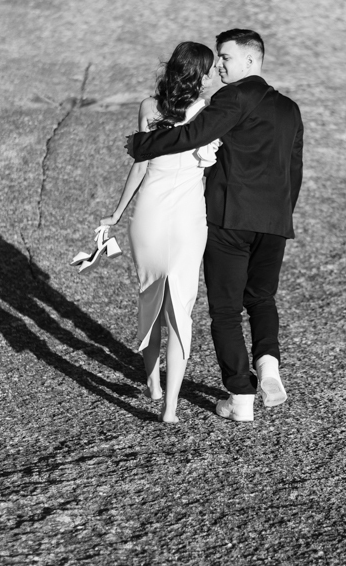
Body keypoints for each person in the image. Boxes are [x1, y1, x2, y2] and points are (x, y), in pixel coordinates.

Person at [127, 29, 303, 423]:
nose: (219, 65)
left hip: (229, 219)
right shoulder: (290, 109)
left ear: (250, 60)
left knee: (225, 311)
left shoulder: (232, 97)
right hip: (274, 222)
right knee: (262, 298)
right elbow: (295, 168)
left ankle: (241, 397)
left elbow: (194, 134)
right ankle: (268, 365)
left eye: (225, 57)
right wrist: (281, 216)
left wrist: (141, 145)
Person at [100, 41, 221, 423]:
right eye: (209, 70)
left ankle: (153, 383)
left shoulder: (149, 108)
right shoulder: (209, 112)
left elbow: (140, 163)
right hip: (187, 219)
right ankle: (170, 408)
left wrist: (117, 212)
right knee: (179, 309)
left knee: (150, 298)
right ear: (197, 74)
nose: (212, 76)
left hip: (149, 215)